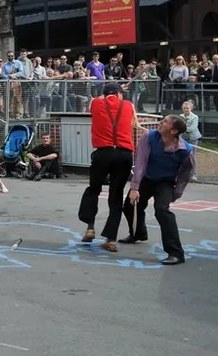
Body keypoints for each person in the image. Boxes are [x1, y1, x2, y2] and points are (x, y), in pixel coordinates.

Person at [122, 115, 195, 265]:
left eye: (166, 122)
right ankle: (138, 233)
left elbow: (187, 172)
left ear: (174, 131)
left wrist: (177, 192)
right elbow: (141, 162)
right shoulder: (149, 136)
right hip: (147, 179)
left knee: (162, 210)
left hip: (165, 182)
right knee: (130, 205)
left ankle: (176, 253)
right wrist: (134, 188)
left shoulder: (185, 150)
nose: (160, 123)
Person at [77, 82, 135, 252]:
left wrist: (109, 94)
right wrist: (117, 95)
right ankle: (111, 239)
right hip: (124, 154)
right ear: (118, 94)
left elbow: (99, 101)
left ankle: (90, 227)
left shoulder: (96, 102)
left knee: (93, 189)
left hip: (103, 152)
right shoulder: (128, 105)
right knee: (116, 195)